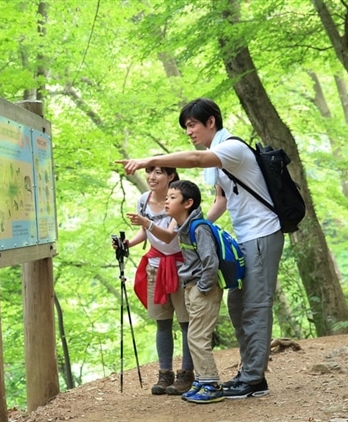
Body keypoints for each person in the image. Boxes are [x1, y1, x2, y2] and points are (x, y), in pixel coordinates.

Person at [116, 97, 283, 399]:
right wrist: (195, 229)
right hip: (245, 235)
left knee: (255, 305)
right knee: (237, 304)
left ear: (211, 122)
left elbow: (193, 160)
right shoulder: (218, 160)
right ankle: (249, 372)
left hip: (262, 233)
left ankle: (254, 378)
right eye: (186, 127)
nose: (189, 131)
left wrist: (145, 161)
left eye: (192, 125)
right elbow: (222, 199)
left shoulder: (231, 147)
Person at [118, 166, 194, 396]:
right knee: (162, 322)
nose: (152, 176)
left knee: (185, 322)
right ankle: (165, 373)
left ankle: (186, 374)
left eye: (159, 172)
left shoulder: (177, 199)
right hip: (155, 267)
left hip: (180, 267)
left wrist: (147, 223)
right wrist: (128, 244)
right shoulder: (144, 200)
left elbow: (170, 235)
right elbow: (146, 233)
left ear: (171, 176)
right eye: (149, 171)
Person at [163, 179, 224, 403]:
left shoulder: (198, 228)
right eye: (167, 197)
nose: (166, 201)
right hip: (191, 287)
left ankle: (211, 384)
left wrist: (202, 288)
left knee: (198, 337)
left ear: (188, 203)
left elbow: (210, 261)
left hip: (202, 289)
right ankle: (202, 380)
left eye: (172, 198)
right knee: (193, 337)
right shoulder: (185, 228)